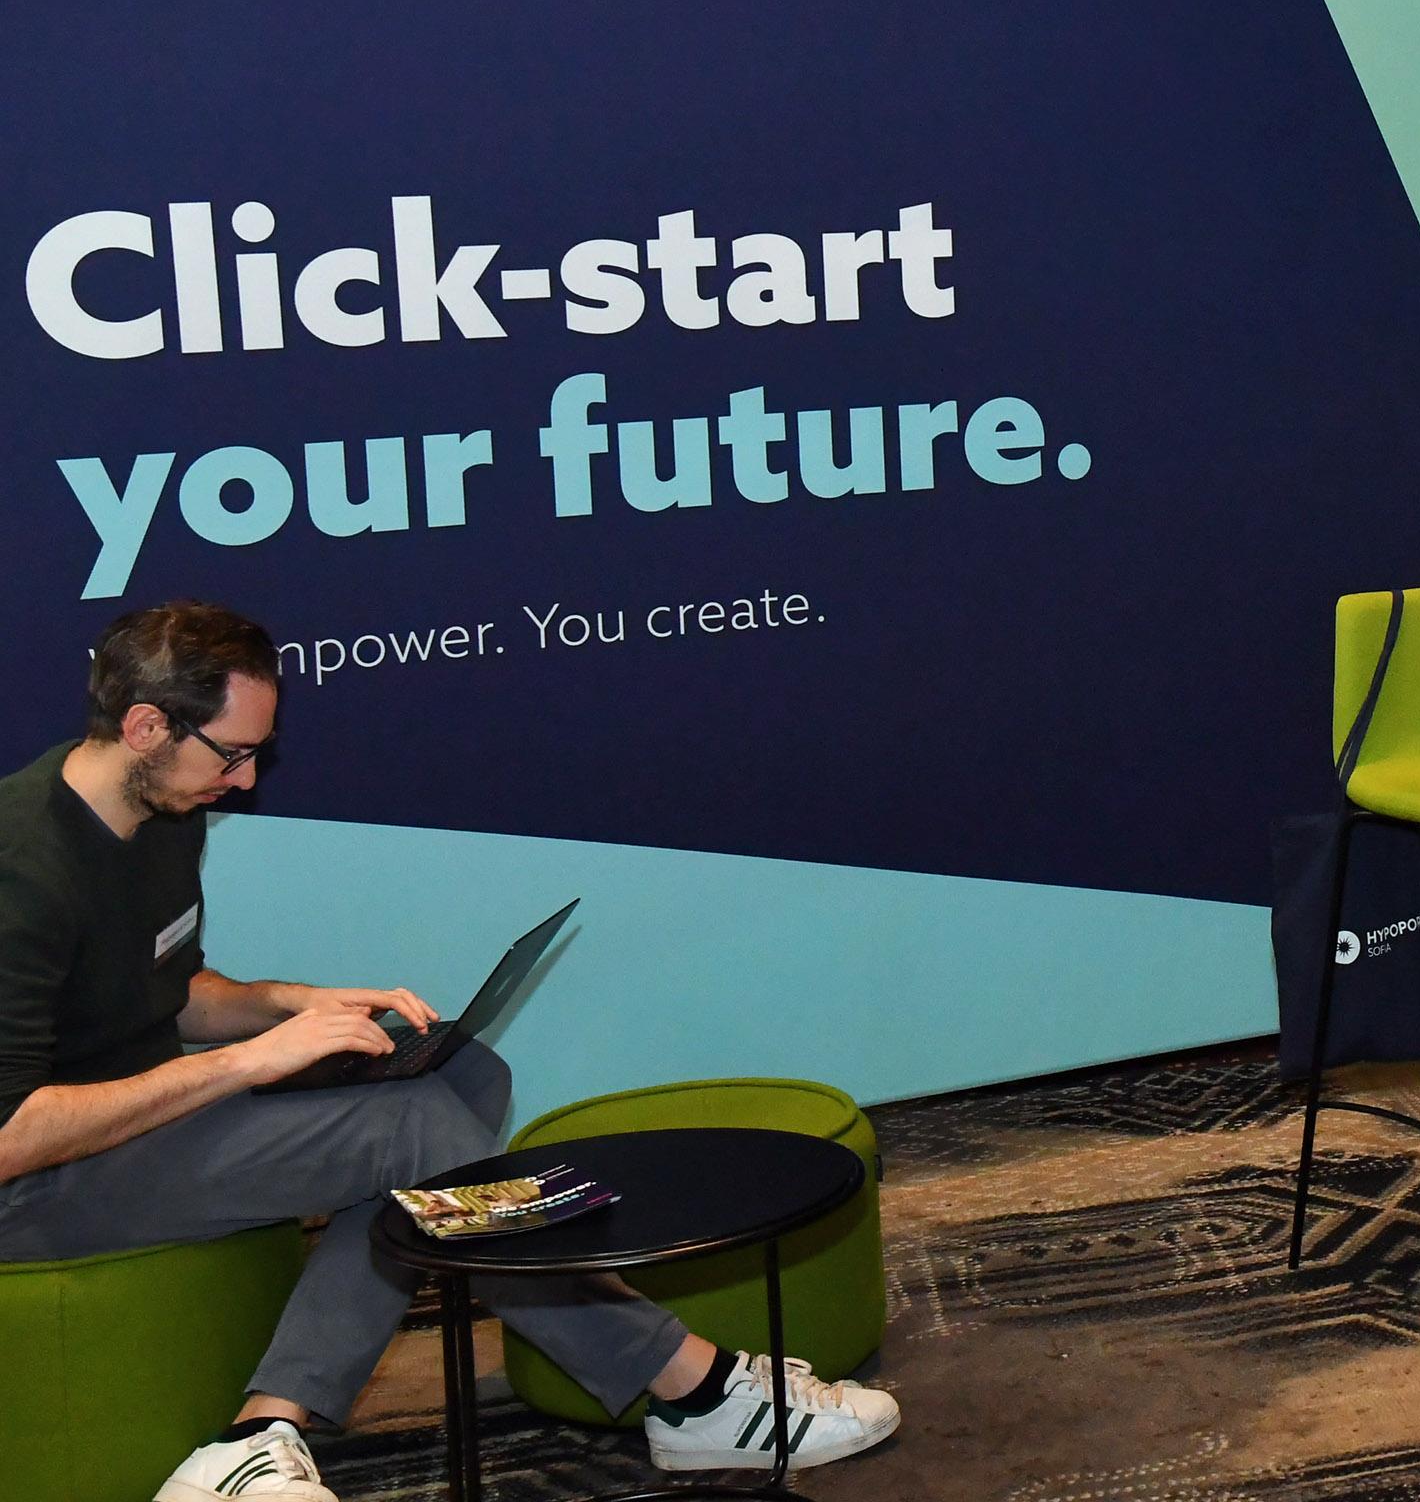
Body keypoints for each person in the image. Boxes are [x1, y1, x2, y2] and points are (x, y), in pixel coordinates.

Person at [0, 602, 900, 1502]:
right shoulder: (21, 869)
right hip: (41, 1186)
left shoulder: (164, 810)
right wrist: (251, 1060)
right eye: (232, 754)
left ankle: (263, 1429)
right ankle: (691, 1389)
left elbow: (170, 986)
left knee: (463, 1074)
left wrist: (292, 1003)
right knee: (410, 1132)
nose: (244, 781)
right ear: (146, 727)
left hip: (144, 1121)